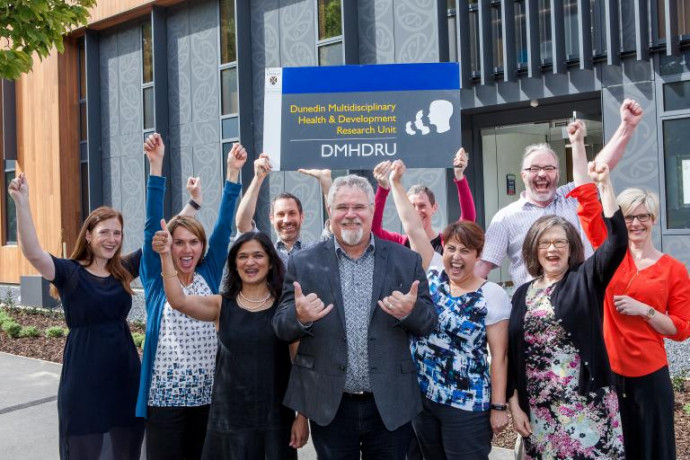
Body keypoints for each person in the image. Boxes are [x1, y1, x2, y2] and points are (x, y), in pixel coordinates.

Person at [272, 174, 438, 459]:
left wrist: (410, 312)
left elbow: (429, 322)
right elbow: (281, 327)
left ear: (372, 210)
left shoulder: (405, 259)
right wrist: (299, 317)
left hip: (390, 403)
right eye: (342, 207)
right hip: (330, 404)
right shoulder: (304, 262)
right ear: (330, 211)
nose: (350, 214)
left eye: (359, 206)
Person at [566, 141, 690, 459]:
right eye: (629, 217)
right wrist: (577, 144)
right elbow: (587, 201)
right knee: (611, 449)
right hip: (608, 371)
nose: (636, 223)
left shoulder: (673, 270)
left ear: (654, 219)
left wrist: (646, 311)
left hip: (650, 374)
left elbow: (681, 329)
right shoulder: (608, 257)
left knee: (653, 450)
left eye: (643, 216)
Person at [9, 174, 144, 459]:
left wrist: (193, 205)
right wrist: (22, 202)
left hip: (124, 376)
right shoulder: (70, 272)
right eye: (105, 232)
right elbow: (33, 253)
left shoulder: (123, 270)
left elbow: (162, 237)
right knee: (84, 447)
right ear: (89, 235)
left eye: (117, 233)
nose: (112, 239)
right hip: (84, 380)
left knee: (126, 447)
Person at [387, 160, 511, 459]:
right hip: (425, 399)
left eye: (465, 251)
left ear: (478, 256)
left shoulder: (491, 294)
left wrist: (498, 406)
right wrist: (395, 183)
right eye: (451, 249)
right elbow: (411, 225)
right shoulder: (432, 273)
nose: (456, 257)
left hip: (466, 405)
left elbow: (499, 357)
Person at [506, 157, 628, 458]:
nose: (552, 249)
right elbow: (513, 353)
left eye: (560, 243)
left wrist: (605, 185)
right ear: (534, 249)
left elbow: (617, 242)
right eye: (544, 243)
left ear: (572, 248)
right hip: (540, 410)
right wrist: (514, 404)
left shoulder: (586, 279)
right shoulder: (521, 294)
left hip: (586, 406)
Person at [136, 133, 246, 459]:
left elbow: (224, 227)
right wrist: (156, 166)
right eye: (179, 242)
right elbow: (151, 225)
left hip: (207, 400)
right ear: (169, 245)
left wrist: (233, 173)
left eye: (194, 242)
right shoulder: (157, 276)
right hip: (164, 400)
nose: (187, 249)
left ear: (202, 247)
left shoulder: (208, 274)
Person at [152, 227, 306, 459]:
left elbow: (300, 365)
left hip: (275, 422)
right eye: (242, 256)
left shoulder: (285, 309)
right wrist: (165, 255)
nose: (250, 262)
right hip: (227, 423)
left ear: (270, 263)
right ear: (234, 264)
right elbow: (178, 301)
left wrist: (302, 416)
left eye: (258, 255)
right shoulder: (220, 305)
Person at [476, 99, 644, 287]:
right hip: (532, 301)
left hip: (580, 298)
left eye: (549, 168)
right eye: (534, 168)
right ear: (523, 175)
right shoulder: (506, 217)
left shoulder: (570, 198)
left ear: (557, 174)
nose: (542, 174)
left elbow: (598, 169)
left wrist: (626, 127)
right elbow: (483, 265)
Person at [372, 148, 476, 254]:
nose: (417, 211)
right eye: (412, 206)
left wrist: (459, 176)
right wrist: (383, 188)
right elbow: (373, 231)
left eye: (422, 206)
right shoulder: (399, 243)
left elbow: (467, 221)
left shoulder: (446, 242)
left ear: (434, 208)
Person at [235, 153, 332, 266]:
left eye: (292, 213)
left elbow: (336, 226)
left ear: (301, 217)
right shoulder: (264, 253)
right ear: (272, 218)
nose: (286, 220)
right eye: (281, 214)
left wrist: (326, 182)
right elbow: (243, 225)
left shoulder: (315, 252)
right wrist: (258, 178)